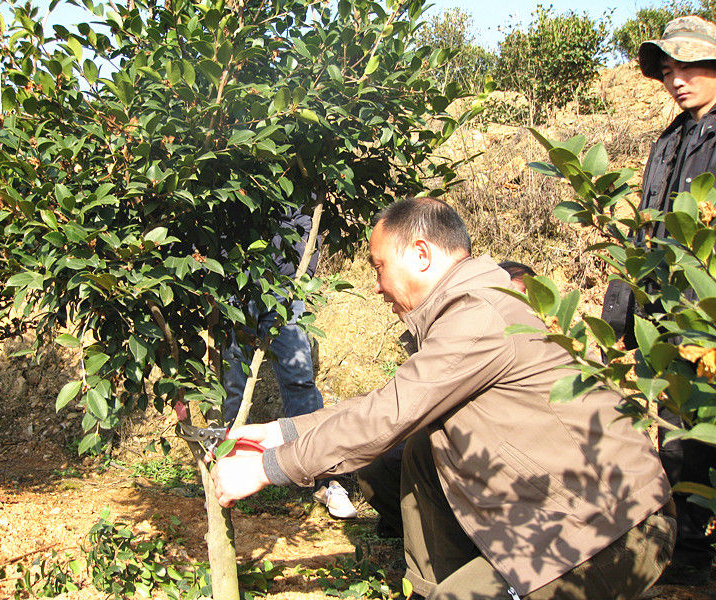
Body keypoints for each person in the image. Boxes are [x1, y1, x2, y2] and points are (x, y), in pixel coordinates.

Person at [213, 197, 674, 600]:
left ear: (420, 254)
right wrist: (281, 431)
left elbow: (387, 416)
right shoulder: (468, 304)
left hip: (613, 527)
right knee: (418, 448)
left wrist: (266, 468)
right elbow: (390, 402)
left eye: (378, 266)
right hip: (557, 507)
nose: (375, 285)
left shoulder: (480, 314)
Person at [601, 15, 716, 585]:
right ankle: (689, 551)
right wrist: (619, 311)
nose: (678, 79)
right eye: (669, 70)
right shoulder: (669, 142)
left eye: (691, 65)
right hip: (668, 317)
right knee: (678, 429)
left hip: (708, 314)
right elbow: (644, 235)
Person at [357, 259, 538, 540]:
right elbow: (404, 403)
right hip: (453, 441)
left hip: (508, 466)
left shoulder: (548, 350)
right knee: (383, 464)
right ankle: (423, 537)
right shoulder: (465, 328)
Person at [222, 208, 357, 519]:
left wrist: (302, 273)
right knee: (233, 381)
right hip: (233, 286)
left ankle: (326, 479)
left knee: (300, 378)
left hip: (284, 288)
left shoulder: (300, 172)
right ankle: (230, 469)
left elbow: (311, 221)